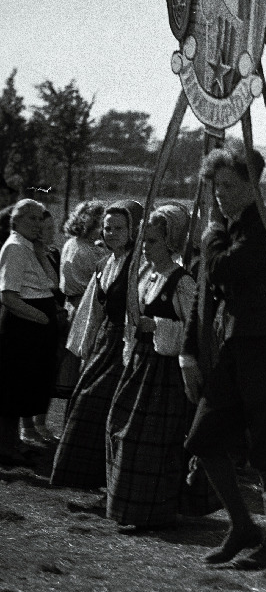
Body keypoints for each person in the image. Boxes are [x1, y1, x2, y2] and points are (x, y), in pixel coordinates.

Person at [180, 147, 266, 571]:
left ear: (253, 186)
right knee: (203, 439)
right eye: (216, 187)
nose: (220, 195)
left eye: (229, 186)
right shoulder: (229, 226)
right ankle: (243, 526)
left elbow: (223, 269)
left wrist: (210, 236)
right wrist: (189, 352)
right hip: (233, 348)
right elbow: (205, 291)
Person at [106, 204, 217, 529]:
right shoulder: (145, 274)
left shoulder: (181, 282)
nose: (144, 247)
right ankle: (130, 505)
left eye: (152, 241)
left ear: (170, 243)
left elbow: (196, 331)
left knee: (150, 441)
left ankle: (154, 511)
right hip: (141, 364)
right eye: (143, 240)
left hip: (165, 373)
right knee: (120, 427)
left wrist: (157, 325)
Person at [51, 200, 143, 489]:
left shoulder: (138, 264)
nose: (111, 233)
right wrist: (85, 344)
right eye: (107, 228)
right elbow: (92, 310)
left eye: (119, 228)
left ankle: (111, 479)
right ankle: (87, 477)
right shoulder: (104, 264)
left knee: (100, 403)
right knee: (83, 398)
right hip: (106, 341)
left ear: (133, 231)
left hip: (128, 342)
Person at [0, 199, 61, 467]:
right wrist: (43, 318)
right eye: (31, 219)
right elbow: (9, 297)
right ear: (16, 221)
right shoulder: (15, 247)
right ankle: (6, 447)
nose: (37, 224)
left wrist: (40, 251)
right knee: (13, 388)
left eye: (40, 219)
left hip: (34, 328)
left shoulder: (30, 247)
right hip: (22, 327)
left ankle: (14, 443)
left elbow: (53, 283)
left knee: (24, 388)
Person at [19, 208, 64, 446]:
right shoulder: (26, 253)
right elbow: (50, 284)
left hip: (52, 319)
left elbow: (59, 286)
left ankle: (41, 422)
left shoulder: (53, 252)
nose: (52, 233)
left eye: (52, 228)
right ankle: (27, 427)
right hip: (33, 319)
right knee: (30, 374)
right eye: (47, 229)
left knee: (47, 373)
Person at [55, 200, 108, 401]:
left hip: (76, 302)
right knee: (78, 348)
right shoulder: (83, 250)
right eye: (100, 225)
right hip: (82, 303)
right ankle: (71, 389)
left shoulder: (81, 245)